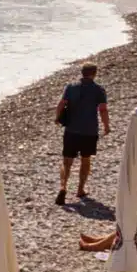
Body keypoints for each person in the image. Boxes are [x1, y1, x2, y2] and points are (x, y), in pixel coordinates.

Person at [54, 63, 110, 206]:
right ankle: (80, 189)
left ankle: (63, 187)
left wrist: (57, 118)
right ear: (94, 73)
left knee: (67, 161)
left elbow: (61, 104)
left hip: (71, 130)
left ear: (82, 72)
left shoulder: (71, 87)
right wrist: (106, 126)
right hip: (89, 131)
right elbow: (103, 110)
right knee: (85, 159)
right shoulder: (99, 90)